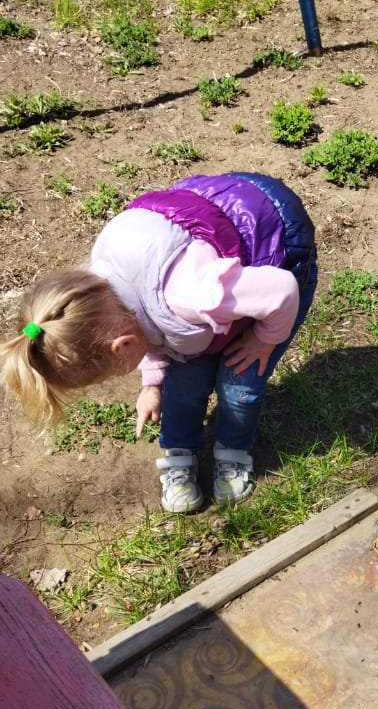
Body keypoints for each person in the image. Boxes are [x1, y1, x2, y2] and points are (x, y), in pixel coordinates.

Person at [0, 172, 317, 512]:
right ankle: (180, 451)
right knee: (181, 383)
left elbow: (282, 291)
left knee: (239, 383)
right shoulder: (98, 299)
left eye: (112, 372)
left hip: (274, 239)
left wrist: (262, 340)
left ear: (122, 346)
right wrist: (152, 385)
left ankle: (233, 450)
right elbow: (141, 322)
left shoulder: (192, 293)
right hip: (205, 274)